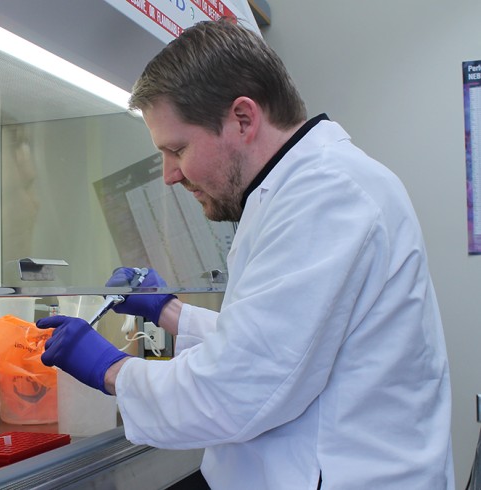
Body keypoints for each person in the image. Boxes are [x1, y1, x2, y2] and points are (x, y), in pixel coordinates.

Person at [36, 17, 454, 489]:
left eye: (177, 148)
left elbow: (236, 389)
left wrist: (110, 369)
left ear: (242, 119)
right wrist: (171, 313)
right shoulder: (297, 189)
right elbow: (281, 341)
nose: (170, 174)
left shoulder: (326, 196)